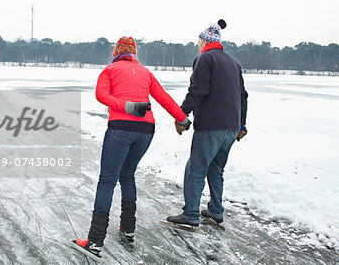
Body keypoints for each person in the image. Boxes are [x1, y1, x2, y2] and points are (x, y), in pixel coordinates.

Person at [73, 36, 190, 258]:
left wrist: (125, 106)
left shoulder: (110, 69)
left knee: (107, 180)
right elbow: (163, 98)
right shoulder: (145, 72)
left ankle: (95, 241)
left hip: (120, 128)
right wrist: (182, 118)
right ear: (134, 53)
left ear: (117, 52)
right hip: (146, 131)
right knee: (127, 175)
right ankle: (128, 228)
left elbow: (101, 95)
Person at [167, 19, 248, 226]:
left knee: (196, 168)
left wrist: (181, 115)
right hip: (231, 127)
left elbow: (197, 91)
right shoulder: (233, 63)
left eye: (198, 42)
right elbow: (243, 95)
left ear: (204, 41)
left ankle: (191, 214)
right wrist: (242, 125)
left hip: (212, 125)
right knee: (215, 169)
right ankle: (216, 211)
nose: (197, 45)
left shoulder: (204, 59)